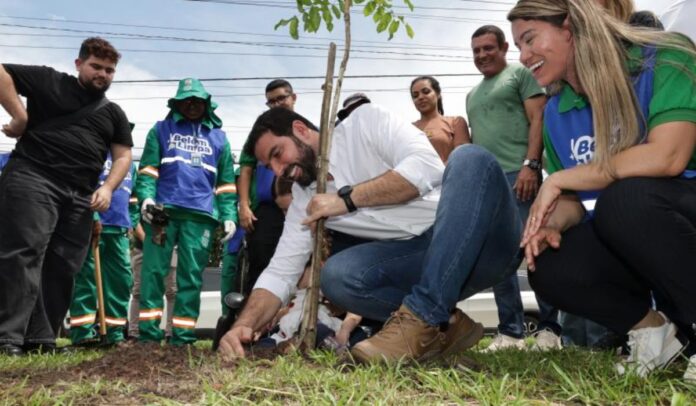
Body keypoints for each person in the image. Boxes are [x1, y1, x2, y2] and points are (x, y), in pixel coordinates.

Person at [218, 104, 523, 363]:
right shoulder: (304, 199)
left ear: (299, 129)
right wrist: (241, 326)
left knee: (470, 158)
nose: (278, 169)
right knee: (338, 276)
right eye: (268, 165)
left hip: (485, 244)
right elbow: (281, 272)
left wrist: (348, 200)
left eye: (277, 154)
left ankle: (426, 315)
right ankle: (444, 324)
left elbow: (427, 168)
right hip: (424, 261)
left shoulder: (366, 122)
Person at [508, 0, 696, 378]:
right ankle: (655, 333)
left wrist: (559, 180)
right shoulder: (557, 112)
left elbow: (669, 156)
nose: (524, 57)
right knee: (548, 264)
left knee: (625, 199)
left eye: (529, 40)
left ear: (569, 27)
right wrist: (551, 226)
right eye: (519, 48)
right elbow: (576, 202)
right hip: (634, 231)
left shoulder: (667, 58)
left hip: (680, 214)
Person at [0, 37, 132, 356]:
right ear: (78, 64)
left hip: (80, 195)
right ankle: (8, 339)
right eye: (96, 67)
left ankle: (41, 339)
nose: (103, 74)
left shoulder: (113, 113)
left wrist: (107, 187)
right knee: (25, 254)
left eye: (109, 70)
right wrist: (20, 117)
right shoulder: (50, 81)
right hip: (35, 176)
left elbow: (124, 155)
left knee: (63, 265)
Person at [466, 25, 561, 351]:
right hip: (490, 185)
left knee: (534, 250)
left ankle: (550, 329)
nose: (482, 55)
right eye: (476, 50)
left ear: (504, 47)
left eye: (488, 48)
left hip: (520, 177)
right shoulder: (472, 94)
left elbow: (539, 118)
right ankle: (511, 332)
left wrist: (531, 166)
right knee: (499, 259)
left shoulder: (521, 75)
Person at [135, 78, 237, 345]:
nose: (192, 105)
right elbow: (147, 171)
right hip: (163, 214)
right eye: (187, 100)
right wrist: (146, 199)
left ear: (206, 103)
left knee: (191, 277)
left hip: (201, 216)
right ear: (177, 103)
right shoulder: (160, 130)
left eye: (197, 101)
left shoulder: (220, 139)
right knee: (153, 274)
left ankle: (182, 337)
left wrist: (229, 216)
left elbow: (226, 185)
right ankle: (148, 335)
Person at [69, 154, 137, 346]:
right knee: (87, 280)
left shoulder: (128, 163)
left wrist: (131, 222)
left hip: (119, 230)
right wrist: (93, 217)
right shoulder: (92, 151)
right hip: (91, 228)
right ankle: (83, 334)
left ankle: (115, 334)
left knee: (121, 281)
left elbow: (134, 200)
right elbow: (81, 188)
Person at [235, 79, 297, 292]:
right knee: (260, 259)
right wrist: (244, 205)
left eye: (282, 98)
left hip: (300, 209)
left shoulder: (307, 130)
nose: (277, 104)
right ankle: (255, 322)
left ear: (293, 98)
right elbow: (246, 168)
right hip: (266, 211)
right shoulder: (260, 133)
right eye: (271, 101)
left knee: (299, 263)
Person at [409, 76, 470, 163]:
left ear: (438, 94)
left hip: (449, 175)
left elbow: (462, 156)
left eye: (426, 92)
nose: (420, 97)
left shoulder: (455, 122)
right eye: (415, 95)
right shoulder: (409, 129)